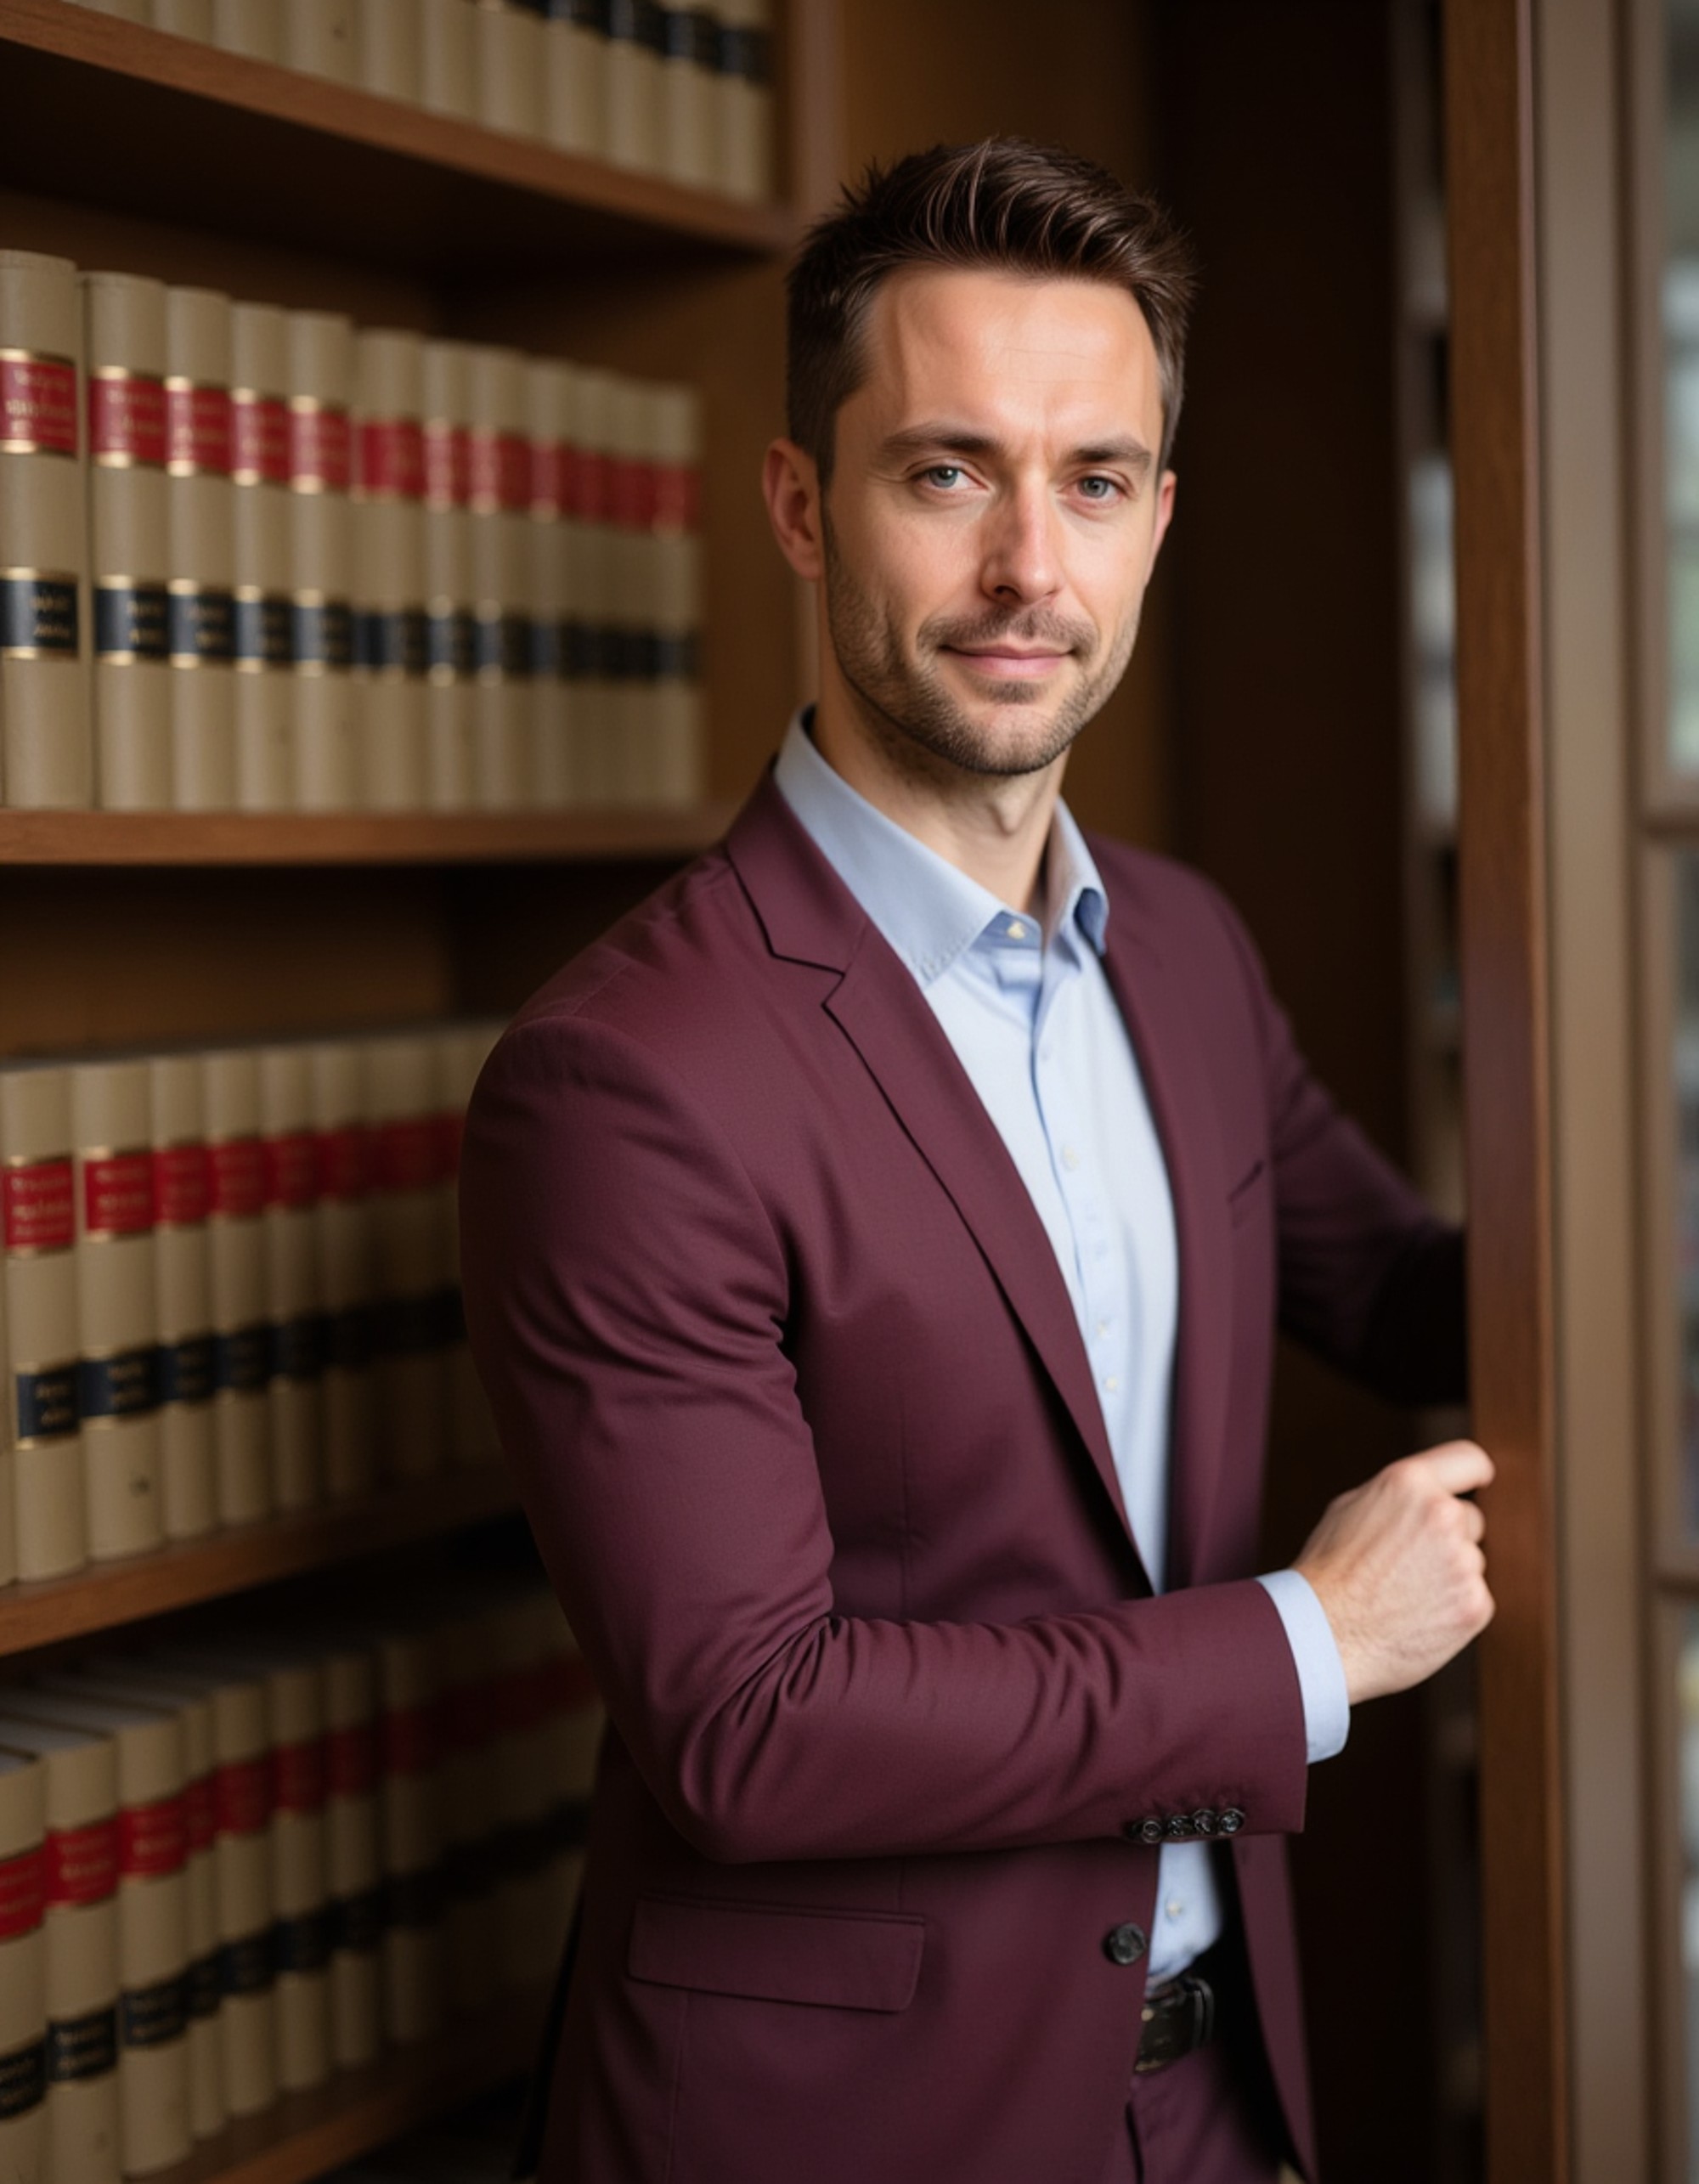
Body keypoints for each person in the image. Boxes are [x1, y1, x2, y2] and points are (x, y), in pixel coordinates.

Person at [460, 137, 1492, 2184]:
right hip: (849, 2128)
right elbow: (750, 1721)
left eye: (1091, 481)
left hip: (1218, 2092)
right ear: (797, 502)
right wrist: (1306, 1639)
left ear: (1158, 520)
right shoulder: (621, 1077)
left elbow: (1402, 1290)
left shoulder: (1183, 948)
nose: (1032, 564)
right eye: (948, 473)